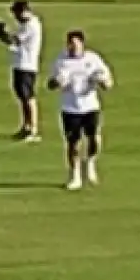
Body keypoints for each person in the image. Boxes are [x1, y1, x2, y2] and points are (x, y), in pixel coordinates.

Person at [48, 30, 115, 190]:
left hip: (90, 106)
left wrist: (101, 81)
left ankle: (90, 162)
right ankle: (75, 175)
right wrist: (57, 82)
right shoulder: (61, 61)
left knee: (94, 139)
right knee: (73, 143)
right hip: (70, 108)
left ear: (82, 44)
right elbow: (50, 85)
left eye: (75, 45)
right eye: (70, 44)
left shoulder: (93, 59)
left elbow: (108, 83)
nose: (72, 48)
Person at [0, 0, 44, 141]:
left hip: (27, 65)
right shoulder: (25, 25)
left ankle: (33, 128)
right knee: (22, 97)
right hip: (19, 64)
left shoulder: (31, 25)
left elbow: (14, 40)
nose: (15, 17)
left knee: (28, 97)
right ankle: (26, 126)